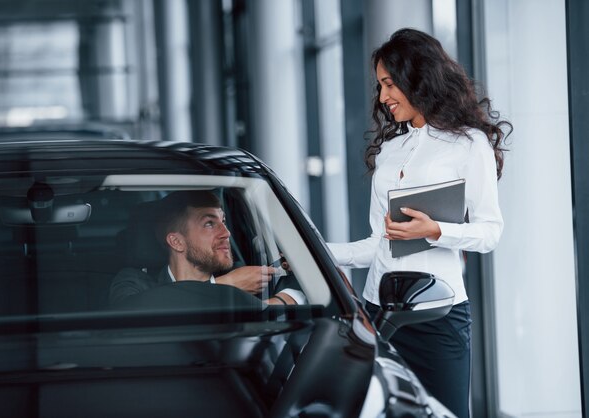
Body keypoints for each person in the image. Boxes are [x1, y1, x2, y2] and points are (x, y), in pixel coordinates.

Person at [327, 28, 512, 417]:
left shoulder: (468, 144)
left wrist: (436, 230)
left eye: (390, 84)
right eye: (380, 86)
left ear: (419, 76)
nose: (383, 98)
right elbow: (378, 243)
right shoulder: (391, 151)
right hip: (379, 313)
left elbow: (490, 232)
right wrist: (317, 252)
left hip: (438, 318)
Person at [109, 190, 303, 307]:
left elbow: (312, 289)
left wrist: (282, 297)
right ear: (176, 242)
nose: (226, 233)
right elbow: (131, 311)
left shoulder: (245, 275)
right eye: (209, 224)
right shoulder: (136, 281)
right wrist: (224, 287)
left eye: (224, 221)